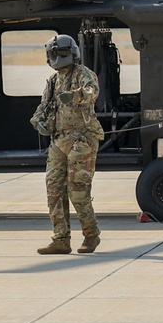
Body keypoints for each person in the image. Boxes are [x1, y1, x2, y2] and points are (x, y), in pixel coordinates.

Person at [30, 34, 104, 255]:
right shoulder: (53, 82)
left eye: (61, 53)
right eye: (55, 54)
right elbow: (42, 108)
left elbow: (92, 93)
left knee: (77, 191)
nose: (57, 57)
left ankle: (91, 236)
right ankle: (61, 239)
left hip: (82, 139)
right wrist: (38, 122)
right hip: (59, 141)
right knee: (54, 189)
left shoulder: (83, 74)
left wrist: (74, 96)